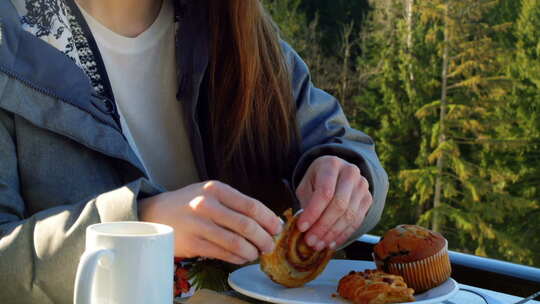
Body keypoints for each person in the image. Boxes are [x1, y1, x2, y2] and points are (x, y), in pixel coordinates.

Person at [0, 0, 389, 302]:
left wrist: (348, 179)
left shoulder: (237, 28)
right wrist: (137, 225)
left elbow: (343, 145)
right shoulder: (11, 47)